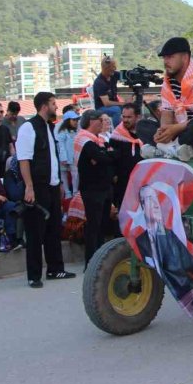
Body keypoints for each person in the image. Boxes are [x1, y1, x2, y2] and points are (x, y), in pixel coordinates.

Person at [15, 91, 76, 288]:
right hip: (36, 187)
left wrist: (59, 184)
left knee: (54, 229)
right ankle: (34, 275)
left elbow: (53, 158)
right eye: (53, 103)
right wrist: (29, 187)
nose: (56, 107)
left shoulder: (50, 127)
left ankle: (55, 269)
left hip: (52, 186)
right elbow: (24, 159)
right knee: (35, 232)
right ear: (44, 106)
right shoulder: (28, 127)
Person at [75, 110, 116, 268]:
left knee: (102, 226)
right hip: (92, 190)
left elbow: (111, 156)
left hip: (104, 189)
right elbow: (102, 158)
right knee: (94, 226)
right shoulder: (84, 139)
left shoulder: (99, 140)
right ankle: (91, 263)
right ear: (92, 121)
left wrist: (106, 155)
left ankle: (100, 259)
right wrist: (105, 155)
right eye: (101, 120)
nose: (103, 123)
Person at [109, 103, 143, 211]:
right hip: (123, 181)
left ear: (138, 117)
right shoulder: (116, 136)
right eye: (123, 117)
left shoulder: (145, 133)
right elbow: (112, 159)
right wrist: (114, 175)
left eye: (129, 117)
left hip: (143, 179)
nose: (125, 120)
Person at [93, 55, 122, 127]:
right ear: (106, 68)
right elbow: (107, 103)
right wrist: (123, 103)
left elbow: (126, 76)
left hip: (114, 104)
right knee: (116, 110)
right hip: (101, 107)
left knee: (131, 108)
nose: (115, 69)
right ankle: (117, 130)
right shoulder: (99, 82)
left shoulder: (114, 74)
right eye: (113, 67)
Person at [56, 110, 80, 199]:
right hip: (65, 157)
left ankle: (75, 192)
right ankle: (67, 192)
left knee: (75, 174)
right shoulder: (62, 131)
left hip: (74, 157)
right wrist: (63, 158)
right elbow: (60, 145)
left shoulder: (76, 131)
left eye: (76, 120)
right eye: (73, 120)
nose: (76, 122)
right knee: (63, 174)